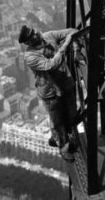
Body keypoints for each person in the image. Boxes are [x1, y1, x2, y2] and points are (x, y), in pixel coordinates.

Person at [18, 24, 78, 161]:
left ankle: (59, 137)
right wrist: (66, 45)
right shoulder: (30, 56)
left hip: (65, 83)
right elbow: (50, 65)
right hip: (51, 92)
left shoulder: (48, 36)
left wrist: (76, 47)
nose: (36, 34)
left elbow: (72, 32)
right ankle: (64, 149)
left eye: (34, 31)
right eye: (32, 35)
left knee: (71, 115)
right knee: (58, 122)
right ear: (27, 42)